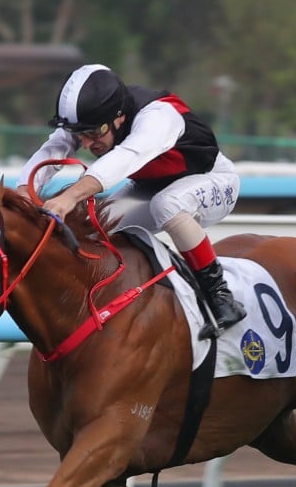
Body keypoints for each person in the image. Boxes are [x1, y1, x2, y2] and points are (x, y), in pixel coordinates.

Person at [17, 64, 245, 338]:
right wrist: (22, 195)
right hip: (151, 187)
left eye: (94, 133)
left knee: (167, 205)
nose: (87, 144)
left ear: (119, 118)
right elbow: (52, 149)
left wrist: (69, 197)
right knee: (96, 224)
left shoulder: (158, 116)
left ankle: (221, 297)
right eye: (80, 135)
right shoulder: (98, 118)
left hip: (213, 179)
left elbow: (123, 159)